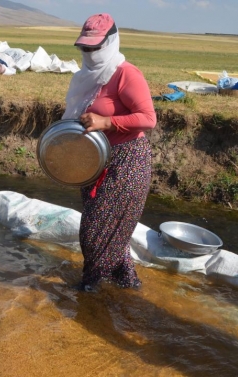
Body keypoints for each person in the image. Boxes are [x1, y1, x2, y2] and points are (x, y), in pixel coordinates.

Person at [63, 13, 156, 289]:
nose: (90, 54)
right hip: (94, 162)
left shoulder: (125, 73)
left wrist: (107, 122)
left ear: (111, 43)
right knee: (110, 232)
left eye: (95, 48)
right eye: (85, 48)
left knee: (94, 232)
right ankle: (127, 284)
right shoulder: (87, 77)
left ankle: (91, 290)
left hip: (126, 162)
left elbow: (148, 118)